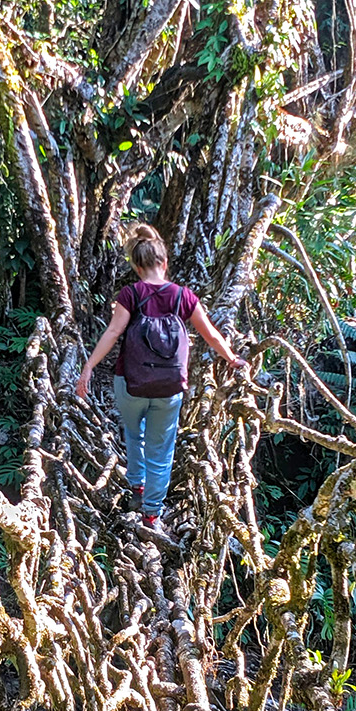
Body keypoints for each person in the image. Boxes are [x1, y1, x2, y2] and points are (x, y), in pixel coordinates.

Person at [75, 224, 248, 529]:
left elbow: (114, 332)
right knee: (161, 448)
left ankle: (137, 486)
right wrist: (232, 358)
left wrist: (88, 366)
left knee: (133, 433)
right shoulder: (183, 297)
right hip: (169, 387)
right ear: (164, 263)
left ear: (136, 266)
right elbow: (210, 335)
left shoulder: (130, 294)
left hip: (131, 383)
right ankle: (151, 512)